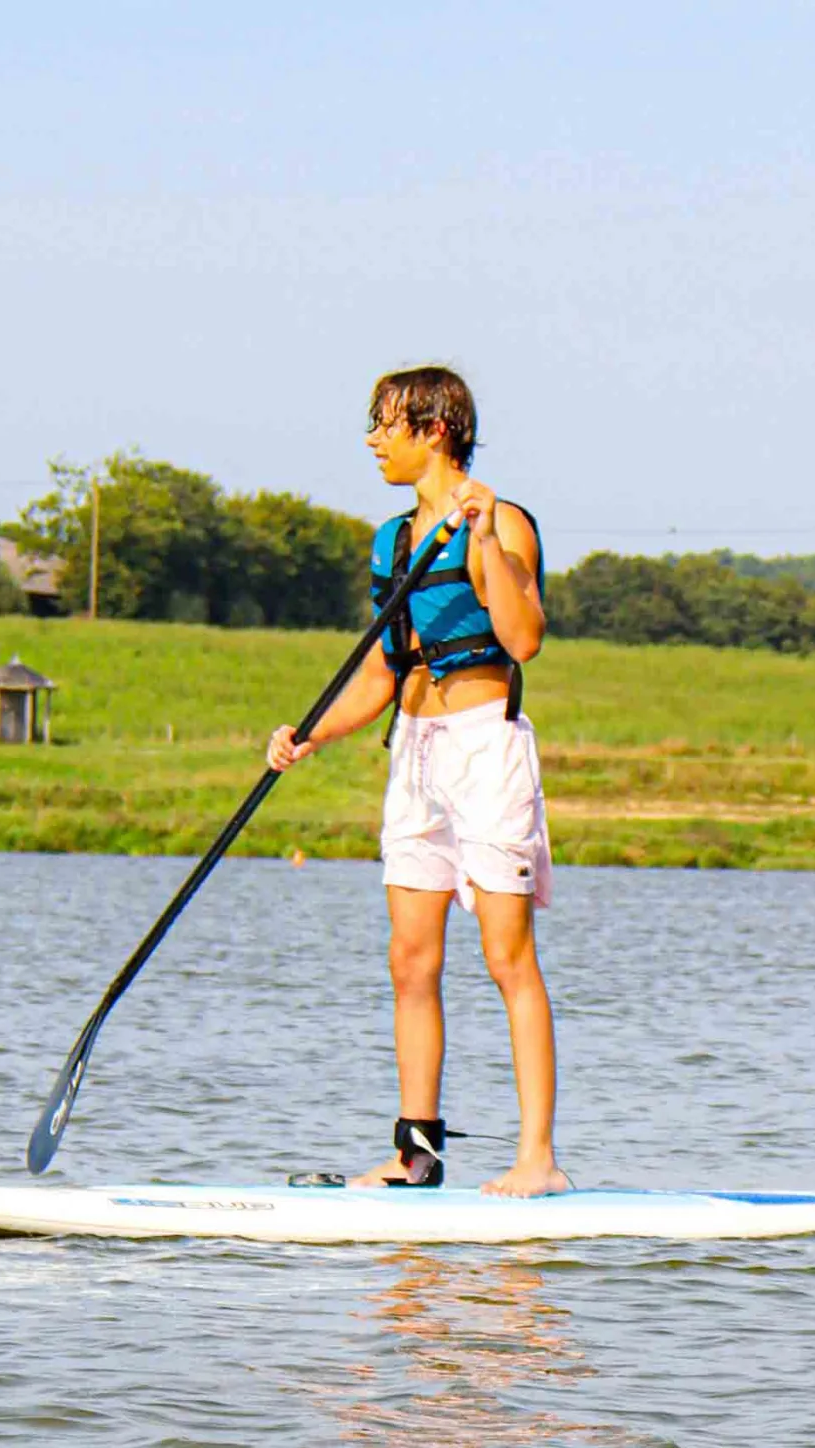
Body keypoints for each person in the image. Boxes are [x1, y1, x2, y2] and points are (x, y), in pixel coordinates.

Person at [266, 366, 567, 1197]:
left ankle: (537, 1160)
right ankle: (415, 1155)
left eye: (385, 423)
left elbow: (523, 637)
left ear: (434, 428)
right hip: (415, 750)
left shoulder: (502, 520)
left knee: (506, 955)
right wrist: (308, 733)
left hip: (484, 744)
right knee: (409, 959)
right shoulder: (392, 542)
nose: (372, 440)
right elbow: (379, 671)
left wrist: (485, 543)